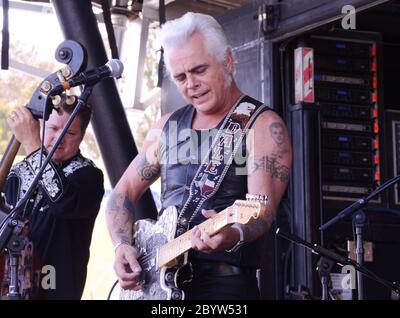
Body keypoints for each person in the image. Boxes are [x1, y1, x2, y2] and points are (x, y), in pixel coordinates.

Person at [106, 12, 292, 300]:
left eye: (199, 70)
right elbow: (123, 193)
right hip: (159, 288)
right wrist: (122, 246)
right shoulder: (167, 127)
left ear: (227, 61)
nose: (190, 84)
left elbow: (262, 212)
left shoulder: (262, 125)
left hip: (225, 289)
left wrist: (232, 235)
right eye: (180, 77)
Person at [2, 93, 104, 299]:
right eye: (54, 128)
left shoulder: (89, 176)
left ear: (82, 136)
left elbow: (62, 203)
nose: (59, 138)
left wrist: (32, 145)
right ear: (41, 126)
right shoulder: (17, 172)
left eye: (70, 132)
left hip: (55, 291)